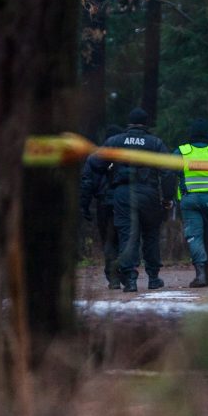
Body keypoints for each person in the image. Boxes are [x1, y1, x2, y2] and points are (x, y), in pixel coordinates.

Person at [90, 108, 174, 292]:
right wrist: (168, 197)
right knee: (151, 234)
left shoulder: (115, 141)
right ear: (146, 123)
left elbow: (94, 163)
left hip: (123, 194)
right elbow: (168, 171)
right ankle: (153, 278)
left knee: (128, 235)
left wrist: (107, 177)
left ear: (129, 123)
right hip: (148, 194)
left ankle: (130, 280)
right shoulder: (155, 143)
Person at [176, 119, 208, 287]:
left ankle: (201, 275)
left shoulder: (182, 151)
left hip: (189, 200)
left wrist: (171, 197)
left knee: (194, 236)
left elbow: (169, 172)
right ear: (207, 135)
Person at [80, 124, 124, 289]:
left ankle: (113, 277)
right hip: (123, 203)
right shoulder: (127, 157)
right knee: (124, 238)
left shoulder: (95, 158)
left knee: (108, 240)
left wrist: (84, 206)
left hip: (104, 203)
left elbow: (86, 183)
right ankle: (125, 273)